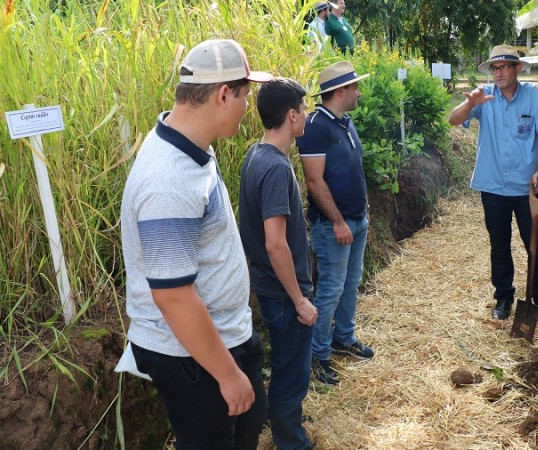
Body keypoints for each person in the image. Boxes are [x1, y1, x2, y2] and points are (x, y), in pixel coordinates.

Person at [121, 39, 273, 450]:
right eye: (246, 95)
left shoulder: (191, 149)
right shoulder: (168, 180)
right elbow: (173, 297)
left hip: (219, 339)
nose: (248, 107)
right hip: (195, 359)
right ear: (224, 95)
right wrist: (227, 374)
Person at [447, 44, 538, 324]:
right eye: (494, 68)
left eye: (503, 67)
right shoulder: (484, 98)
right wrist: (469, 104)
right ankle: (503, 297)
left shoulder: (535, 98)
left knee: (536, 243)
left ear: (516, 69)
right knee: (499, 244)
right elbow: (454, 120)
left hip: (529, 188)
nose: (498, 73)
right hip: (493, 187)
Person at [238, 78, 318, 450]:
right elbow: (275, 244)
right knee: (290, 373)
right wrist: (299, 299)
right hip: (284, 296)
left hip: (272, 290)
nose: (307, 114)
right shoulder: (275, 168)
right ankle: (291, 441)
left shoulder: (255, 155)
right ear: (291, 115)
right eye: (304, 108)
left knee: (287, 368)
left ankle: (288, 423)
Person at [296, 61, 373, 385]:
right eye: (355, 86)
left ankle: (343, 338)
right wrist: (339, 222)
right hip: (333, 227)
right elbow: (314, 181)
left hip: (356, 221)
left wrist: (362, 210)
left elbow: (350, 171)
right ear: (340, 91)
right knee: (329, 289)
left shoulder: (343, 123)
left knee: (349, 284)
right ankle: (318, 356)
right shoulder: (316, 126)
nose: (358, 91)